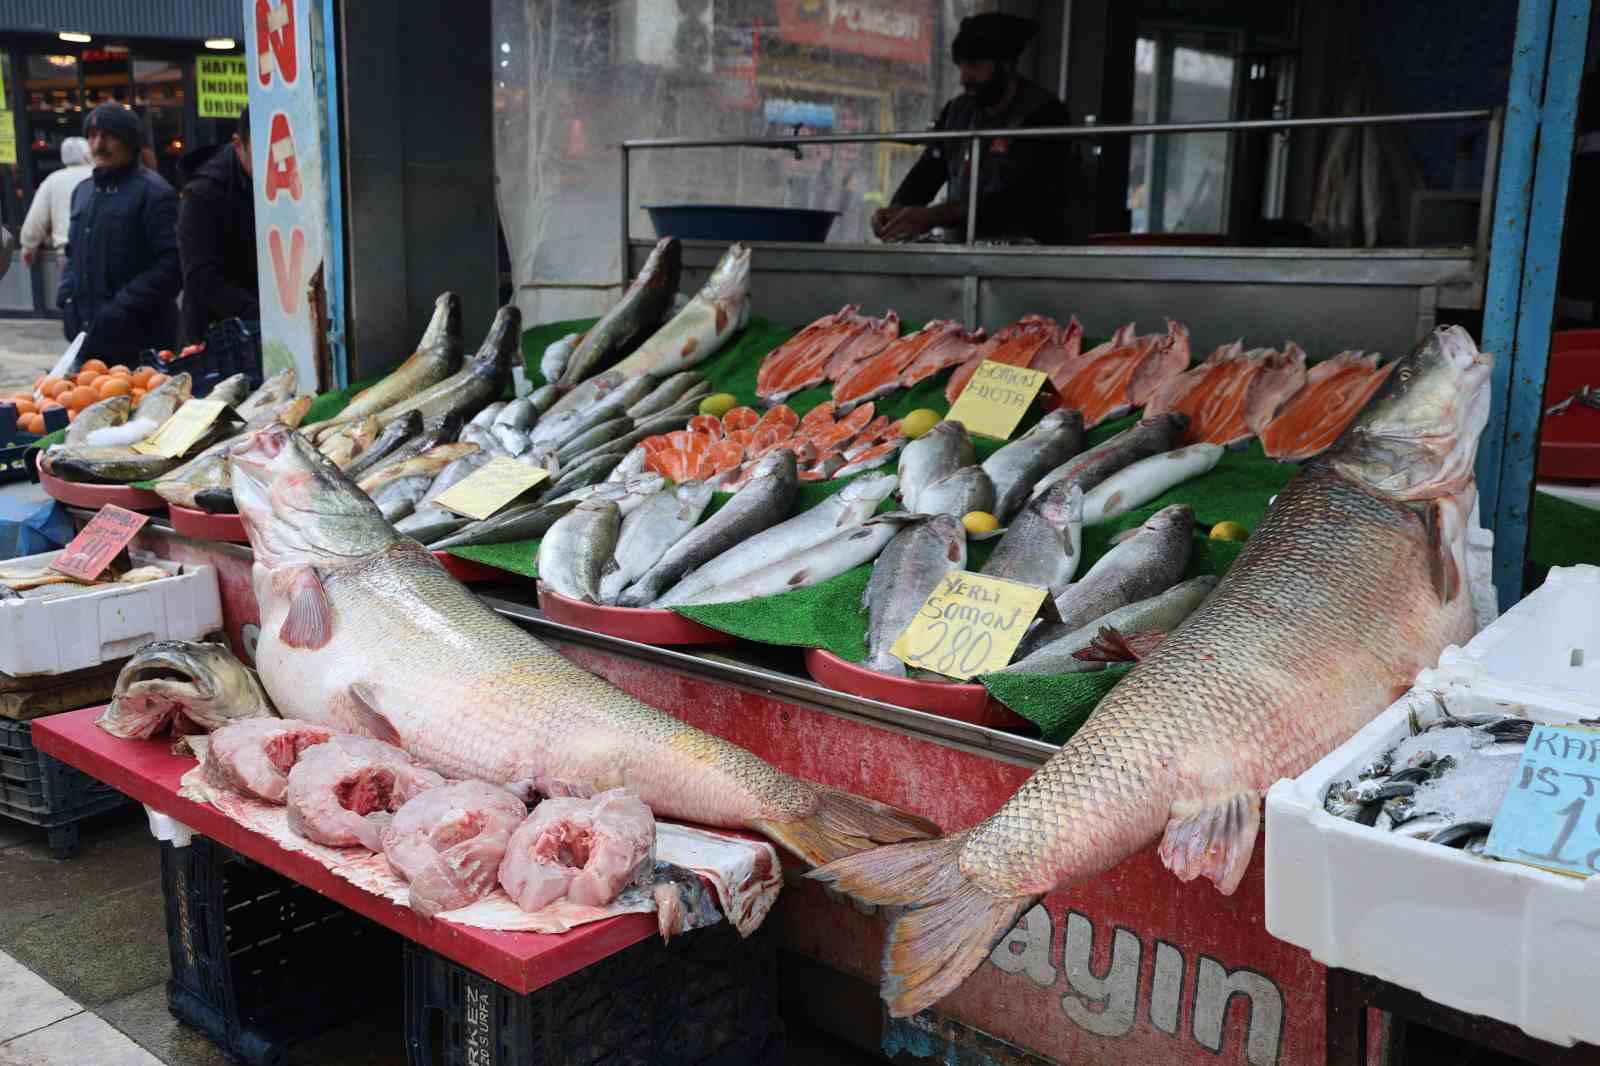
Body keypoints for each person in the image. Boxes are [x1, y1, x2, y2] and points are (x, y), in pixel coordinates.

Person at [872, 13, 1072, 245]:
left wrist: (934, 216)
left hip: (1025, 252)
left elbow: (1020, 199)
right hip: (964, 251)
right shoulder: (957, 112)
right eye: (961, 66)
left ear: (1006, 63)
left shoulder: (1045, 114)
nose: (964, 78)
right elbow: (927, 172)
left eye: (975, 66)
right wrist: (896, 211)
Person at [57, 102, 181, 355]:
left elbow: (172, 265)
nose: (99, 145)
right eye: (92, 136)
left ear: (130, 142)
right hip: (89, 340)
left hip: (142, 343)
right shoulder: (83, 192)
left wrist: (121, 307)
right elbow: (73, 254)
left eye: (109, 136)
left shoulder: (154, 193)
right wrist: (67, 298)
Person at [178, 106, 258, 345]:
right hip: (217, 336)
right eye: (262, 152)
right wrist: (267, 316)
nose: (274, 163)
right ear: (239, 145)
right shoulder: (203, 192)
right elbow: (202, 277)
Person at [19, 137, 92, 269]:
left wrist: (28, 246)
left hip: (68, 252)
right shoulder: (100, 175)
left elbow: (37, 217)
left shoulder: (53, 180)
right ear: (88, 153)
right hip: (103, 248)